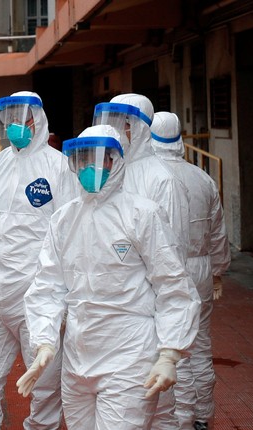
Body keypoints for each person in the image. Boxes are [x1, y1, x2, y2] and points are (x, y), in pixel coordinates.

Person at [16, 124, 200, 429]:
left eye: (99, 159)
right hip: (78, 357)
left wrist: (170, 353)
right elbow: (47, 286)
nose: (89, 167)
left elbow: (173, 285)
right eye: (83, 159)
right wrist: (45, 342)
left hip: (129, 356)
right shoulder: (64, 218)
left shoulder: (142, 214)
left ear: (116, 161)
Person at [0, 91, 78, 429]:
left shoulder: (59, 168)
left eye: (21, 117)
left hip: (38, 298)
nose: (14, 125)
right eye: (9, 117)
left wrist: (65, 299)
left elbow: (69, 235)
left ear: (37, 120)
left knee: (45, 387)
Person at [93, 94, 194, 429]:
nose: (114, 128)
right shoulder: (106, 171)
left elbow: (171, 257)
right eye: (110, 119)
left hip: (147, 313)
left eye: (122, 121)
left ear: (138, 126)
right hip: (110, 310)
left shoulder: (160, 178)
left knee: (159, 403)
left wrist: (167, 335)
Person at [150, 112, 231, 430]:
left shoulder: (150, 178)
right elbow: (218, 232)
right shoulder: (203, 178)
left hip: (167, 272)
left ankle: (181, 420)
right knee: (200, 345)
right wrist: (218, 271)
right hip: (200, 269)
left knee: (172, 346)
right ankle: (202, 416)